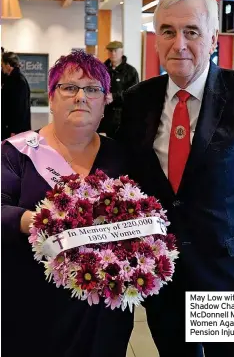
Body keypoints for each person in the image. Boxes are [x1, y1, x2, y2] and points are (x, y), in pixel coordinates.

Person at [117, 0, 234, 357]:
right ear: (156, 39)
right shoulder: (137, 101)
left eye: (191, 31)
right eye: (168, 31)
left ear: (212, 40)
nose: (179, 44)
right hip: (164, 276)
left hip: (232, 278)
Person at [1, 50, 133, 357]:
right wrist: (39, 222)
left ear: (105, 102)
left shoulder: (123, 156)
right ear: (51, 98)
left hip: (103, 311)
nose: (81, 97)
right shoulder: (16, 153)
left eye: (92, 89)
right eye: (69, 87)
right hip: (33, 304)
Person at [97, 41, 139, 138]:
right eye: (110, 51)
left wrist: (114, 96)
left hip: (122, 117)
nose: (113, 53)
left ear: (122, 51)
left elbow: (134, 93)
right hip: (103, 115)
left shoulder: (130, 71)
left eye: (115, 51)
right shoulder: (102, 70)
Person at [1, 51, 31, 140]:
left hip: (14, 130)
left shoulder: (18, 81)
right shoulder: (11, 79)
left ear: (8, 65)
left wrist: (14, 131)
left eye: (2, 64)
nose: (1, 67)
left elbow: (19, 108)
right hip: (10, 128)